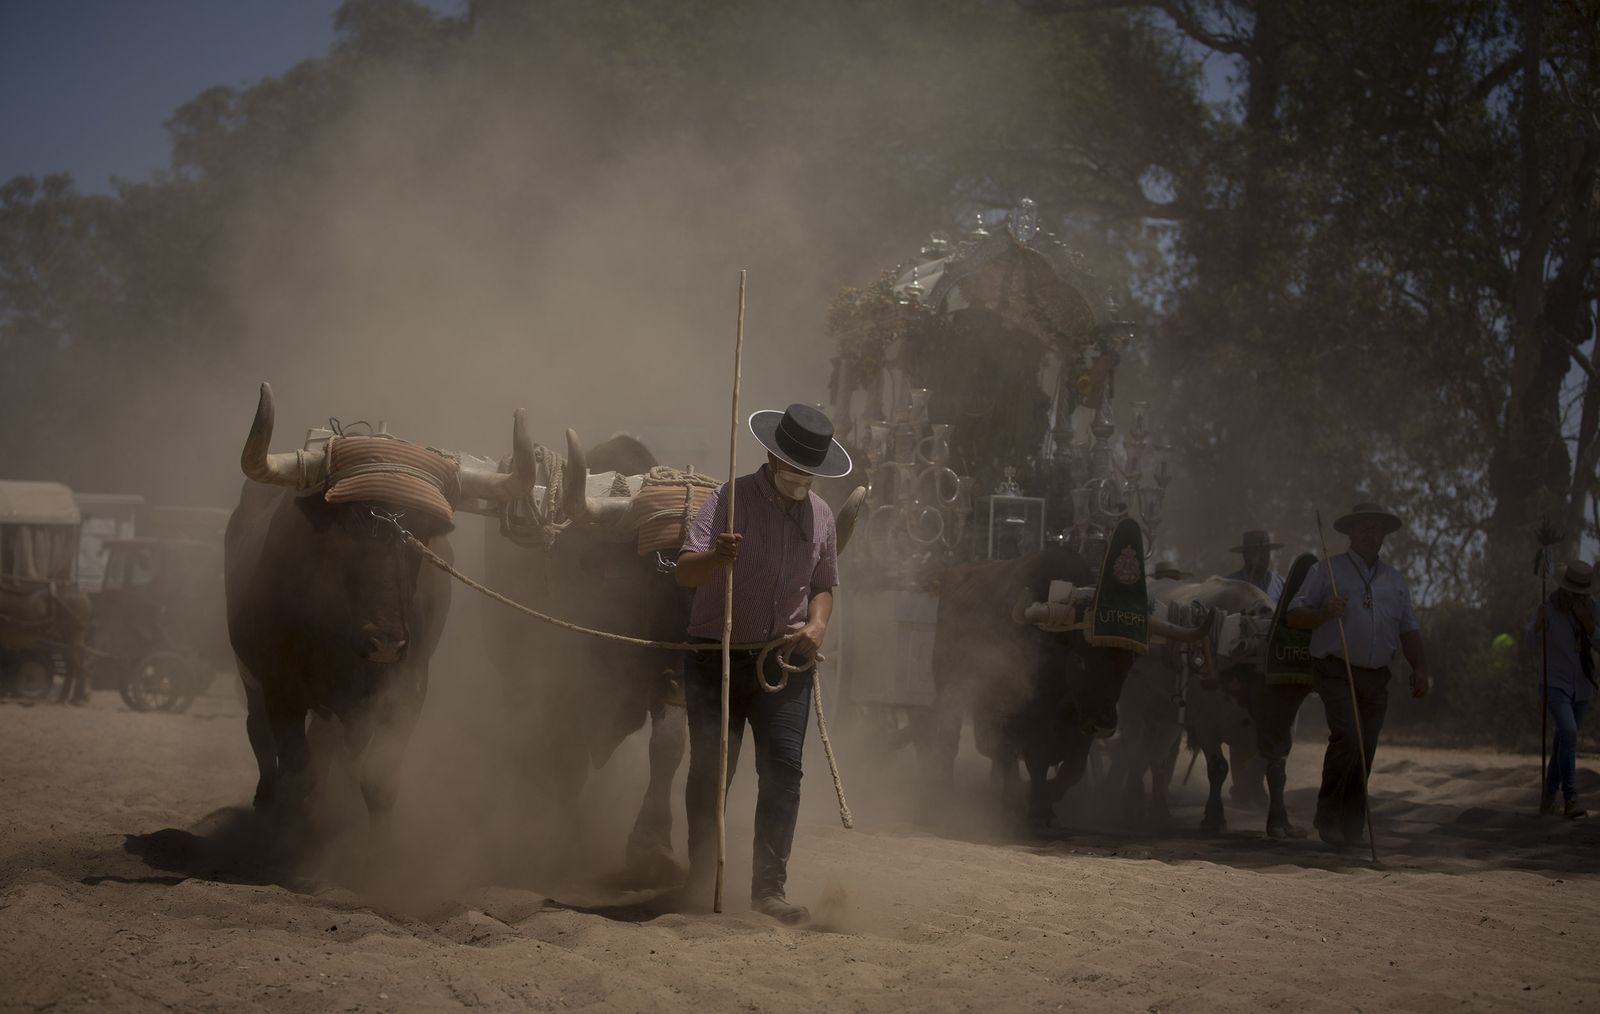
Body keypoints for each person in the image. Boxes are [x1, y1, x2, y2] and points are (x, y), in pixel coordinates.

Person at [674, 403, 850, 925]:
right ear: (772, 458)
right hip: (718, 656)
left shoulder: (821, 516)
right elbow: (684, 571)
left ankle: (769, 891)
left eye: (808, 469)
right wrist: (716, 558)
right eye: (793, 465)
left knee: (784, 771)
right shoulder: (728, 501)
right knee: (712, 771)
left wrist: (817, 624)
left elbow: (823, 585)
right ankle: (702, 879)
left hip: (785, 662)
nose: (800, 476)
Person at [1286, 502, 1430, 848]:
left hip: (1377, 675)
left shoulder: (1395, 581)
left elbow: (1408, 628)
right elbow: (1294, 615)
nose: (1370, 532)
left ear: (1384, 535)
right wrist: (1323, 613)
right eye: (1363, 526)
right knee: (1349, 736)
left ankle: (1352, 820)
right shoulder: (1327, 570)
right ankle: (1327, 815)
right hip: (1335, 667)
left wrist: (1420, 667)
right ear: (1350, 532)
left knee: (1366, 746)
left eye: (1376, 527)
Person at [1529, 560, 1597, 820]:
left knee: (1562, 741)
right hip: (1554, 682)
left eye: (1583, 593)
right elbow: (1531, 642)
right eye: (1574, 592)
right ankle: (1571, 797)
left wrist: (1589, 625)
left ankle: (1548, 798)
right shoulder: (1548, 608)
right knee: (1569, 732)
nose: (1578, 598)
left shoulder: (1592, 609)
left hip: (1583, 684)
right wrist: (1538, 626)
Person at [1227, 529, 1286, 603]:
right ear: (1245, 555)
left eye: (1265, 551)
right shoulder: (1229, 585)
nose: (1262, 556)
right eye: (1255, 551)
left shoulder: (1282, 585)